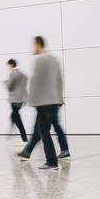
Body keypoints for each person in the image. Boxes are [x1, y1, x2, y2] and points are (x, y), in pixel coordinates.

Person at [25, 36, 63, 170]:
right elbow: (59, 79)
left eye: (33, 44)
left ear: (37, 44)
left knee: (43, 131)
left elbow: (36, 82)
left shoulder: (40, 59)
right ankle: (48, 158)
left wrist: (32, 101)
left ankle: (52, 161)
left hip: (43, 102)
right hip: (54, 101)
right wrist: (59, 99)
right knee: (46, 130)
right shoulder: (54, 59)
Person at [4, 59, 29, 146]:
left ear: (11, 65)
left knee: (15, 117)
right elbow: (25, 80)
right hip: (21, 99)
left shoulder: (12, 73)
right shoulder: (22, 74)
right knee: (14, 115)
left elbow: (10, 86)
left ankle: (23, 138)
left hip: (14, 99)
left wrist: (5, 82)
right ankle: (13, 127)